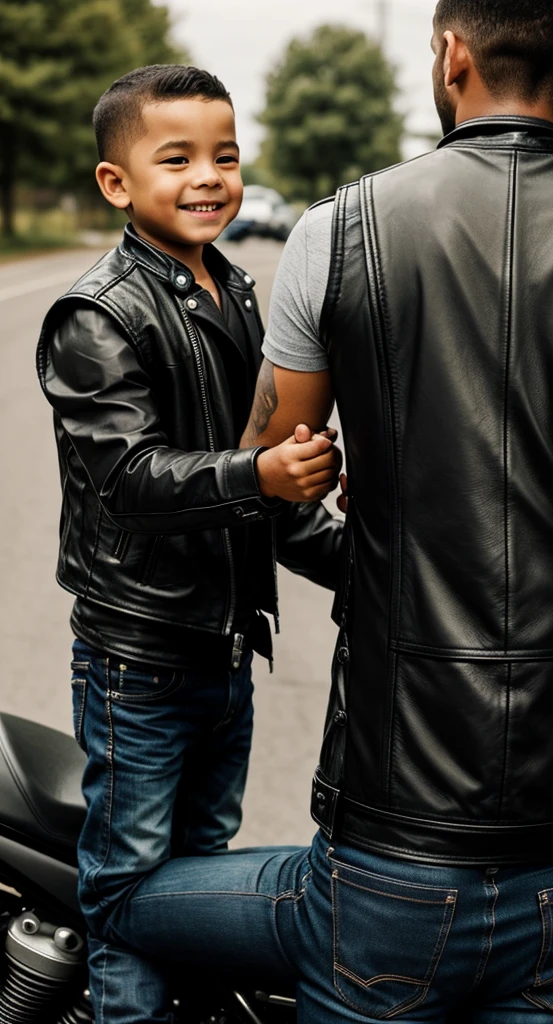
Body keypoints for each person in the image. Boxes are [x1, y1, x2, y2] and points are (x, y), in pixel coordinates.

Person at [89, 3, 553, 1022]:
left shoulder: (338, 229)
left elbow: (264, 473)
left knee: (126, 898)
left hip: (383, 849)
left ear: (450, 55)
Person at [36, 65, 343, 1024]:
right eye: (177, 160)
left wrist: (377, 570)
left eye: (225, 156)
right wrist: (260, 476)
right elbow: (129, 482)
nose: (209, 177)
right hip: (139, 657)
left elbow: (266, 484)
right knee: (128, 889)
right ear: (116, 184)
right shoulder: (96, 314)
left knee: (203, 886)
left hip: (223, 648)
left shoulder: (237, 292)